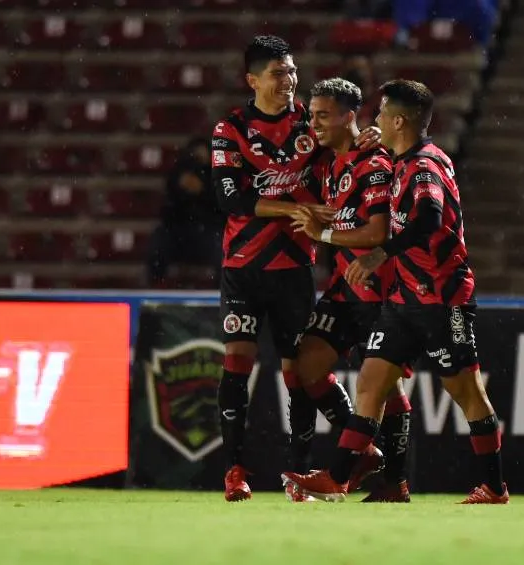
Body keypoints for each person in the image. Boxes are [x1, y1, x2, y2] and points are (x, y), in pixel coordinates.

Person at [282, 79, 508, 504]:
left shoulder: (423, 165)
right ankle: (338, 476)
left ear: (399, 120)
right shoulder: (401, 160)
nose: (376, 120)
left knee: (466, 392)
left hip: (442, 296)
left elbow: (428, 217)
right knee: (370, 382)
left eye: (382, 113)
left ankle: (494, 486)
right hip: (404, 300)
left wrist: (379, 254)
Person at [210, 35, 382, 502]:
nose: (288, 81)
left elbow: (345, 142)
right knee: (236, 364)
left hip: (294, 267)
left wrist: (369, 137)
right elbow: (231, 199)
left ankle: (300, 473)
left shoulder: (310, 119)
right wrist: (293, 210)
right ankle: (235, 472)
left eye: (291, 71)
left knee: (297, 373)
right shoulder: (232, 128)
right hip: (242, 264)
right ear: (253, 80)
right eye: (277, 74)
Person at [282, 77, 413, 503]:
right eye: (312, 114)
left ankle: (394, 482)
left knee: (384, 390)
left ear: (349, 116)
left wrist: (324, 235)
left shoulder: (373, 161)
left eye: (323, 115)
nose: (313, 123)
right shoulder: (331, 159)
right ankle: (363, 451)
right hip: (345, 287)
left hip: (380, 291)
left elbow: (376, 232)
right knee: (306, 366)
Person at [146, 137, 222, 287]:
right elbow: (168, 206)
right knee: (158, 242)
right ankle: (155, 288)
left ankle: (221, 291)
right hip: (177, 230)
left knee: (223, 248)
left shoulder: (217, 176)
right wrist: (181, 187)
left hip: (208, 230)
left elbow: (220, 207)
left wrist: (203, 190)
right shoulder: (178, 173)